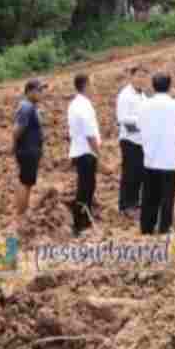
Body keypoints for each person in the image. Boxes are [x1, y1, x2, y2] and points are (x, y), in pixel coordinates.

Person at [138, 72, 175, 235]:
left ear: (153, 85)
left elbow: (139, 126)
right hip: (169, 158)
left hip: (150, 156)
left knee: (149, 195)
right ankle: (165, 228)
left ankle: (146, 228)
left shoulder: (144, 105)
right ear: (169, 86)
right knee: (167, 197)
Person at [67, 73, 101, 237]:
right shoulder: (84, 106)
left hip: (79, 151)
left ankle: (84, 220)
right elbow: (90, 135)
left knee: (85, 186)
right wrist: (99, 154)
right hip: (86, 152)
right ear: (86, 85)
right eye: (92, 84)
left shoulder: (74, 104)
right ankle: (80, 224)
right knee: (86, 188)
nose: (94, 87)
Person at [116, 66, 148, 218]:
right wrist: (142, 124)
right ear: (131, 77)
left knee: (140, 174)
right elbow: (122, 119)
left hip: (142, 141)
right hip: (130, 140)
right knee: (130, 173)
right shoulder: (125, 95)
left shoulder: (143, 95)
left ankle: (135, 203)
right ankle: (125, 205)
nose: (141, 79)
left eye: (144, 76)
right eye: (138, 76)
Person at [13, 79, 46, 220]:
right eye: (39, 90)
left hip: (30, 149)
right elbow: (17, 129)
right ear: (30, 91)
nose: (41, 93)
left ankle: (23, 211)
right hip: (28, 150)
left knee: (27, 182)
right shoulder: (26, 107)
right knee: (25, 182)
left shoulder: (30, 107)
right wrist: (15, 145)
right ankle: (21, 214)